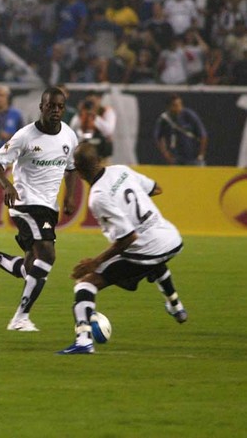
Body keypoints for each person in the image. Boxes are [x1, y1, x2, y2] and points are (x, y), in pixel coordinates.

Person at [0, 87, 78, 332]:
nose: (55, 110)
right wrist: (7, 185)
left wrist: (69, 197)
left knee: (29, 268)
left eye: (59, 107)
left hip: (49, 207)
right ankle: (20, 318)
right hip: (25, 203)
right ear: (41, 107)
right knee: (47, 254)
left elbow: (70, 168)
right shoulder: (24, 136)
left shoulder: (69, 136)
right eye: (50, 106)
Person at [58, 143, 187, 355]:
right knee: (151, 260)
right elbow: (156, 189)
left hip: (149, 247)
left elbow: (128, 238)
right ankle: (175, 305)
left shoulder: (98, 197)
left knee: (85, 284)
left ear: (79, 173)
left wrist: (95, 262)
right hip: (172, 238)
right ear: (100, 160)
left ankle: (83, 341)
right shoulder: (121, 170)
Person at [154, 94, 208, 165]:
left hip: (193, 157)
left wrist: (201, 155)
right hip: (175, 158)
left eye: (180, 104)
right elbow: (158, 138)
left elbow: (203, 135)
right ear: (169, 107)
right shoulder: (164, 120)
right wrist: (167, 156)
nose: (179, 108)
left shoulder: (189, 115)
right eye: (175, 105)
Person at [68, 99, 113, 165]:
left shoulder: (96, 118)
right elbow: (71, 132)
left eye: (90, 110)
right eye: (86, 109)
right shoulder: (77, 118)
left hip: (99, 150)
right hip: (82, 149)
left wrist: (94, 120)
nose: (88, 112)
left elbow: (108, 131)